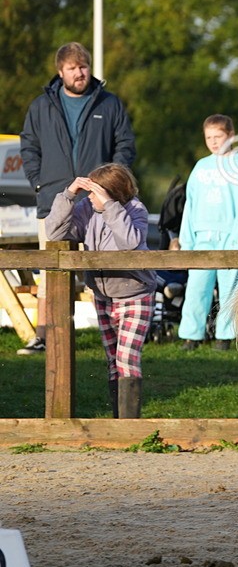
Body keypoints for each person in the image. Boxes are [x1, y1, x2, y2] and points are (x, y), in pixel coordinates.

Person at [17, 42, 136, 355]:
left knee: (104, 267)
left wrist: (111, 185)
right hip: (56, 202)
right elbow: (28, 147)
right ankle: (44, 335)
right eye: (72, 68)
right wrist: (40, 184)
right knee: (51, 270)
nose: (80, 73)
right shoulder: (41, 106)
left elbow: (125, 144)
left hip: (100, 204)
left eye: (83, 66)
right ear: (61, 72)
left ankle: (113, 333)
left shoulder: (109, 104)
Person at [44, 164, 155, 418]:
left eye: (94, 191)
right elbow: (54, 232)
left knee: (126, 359)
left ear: (111, 192)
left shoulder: (135, 209)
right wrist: (69, 195)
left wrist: (110, 207)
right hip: (103, 295)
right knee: (113, 362)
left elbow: (129, 242)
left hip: (135, 293)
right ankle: (118, 420)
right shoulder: (86, 208)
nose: (89, 196)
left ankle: (130, 425)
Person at [178, 115, 238, 351]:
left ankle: (225, 336)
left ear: (231, 136)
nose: (214, 142)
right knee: (196, 287)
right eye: (209, 138)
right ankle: (191, 335)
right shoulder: (201, 167)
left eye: (218, 136)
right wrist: (187, 239)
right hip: (202, 236)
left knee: (231, 288)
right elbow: (190, 204)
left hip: (230, 237)